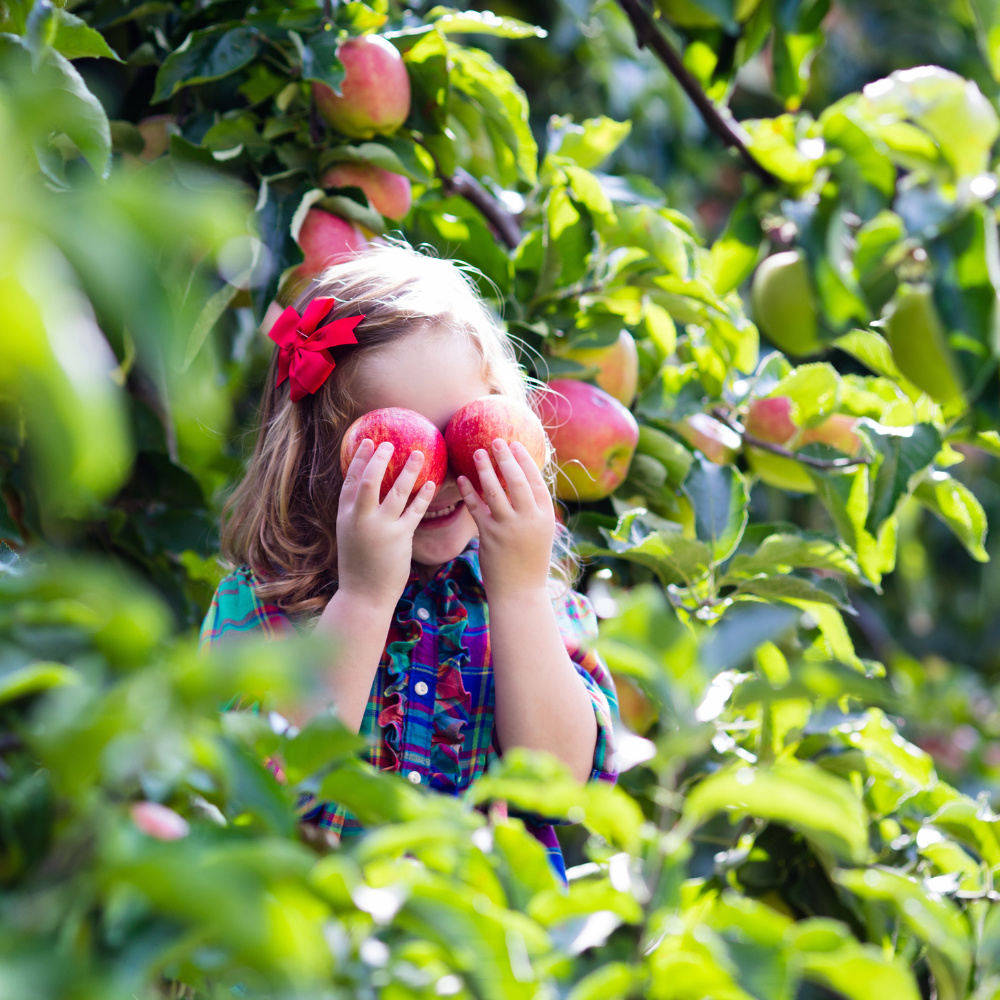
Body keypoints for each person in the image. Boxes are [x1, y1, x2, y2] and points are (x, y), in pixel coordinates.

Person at [200, 244, 617, 880]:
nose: (443, 476)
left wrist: (520, 596)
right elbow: (263, 784)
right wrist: (364, 599)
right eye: (403, 442)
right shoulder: (260, 602)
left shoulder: (538, 600)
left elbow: (560, 786)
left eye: (467, 432)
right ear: (318, 459)